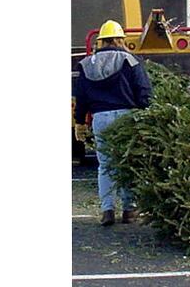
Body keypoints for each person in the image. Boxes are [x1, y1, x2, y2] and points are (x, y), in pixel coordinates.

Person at [73, 20, 152, 227]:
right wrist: (146, 114)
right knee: (127, 163)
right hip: (126, 116)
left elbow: (80, 97)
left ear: (100, 41)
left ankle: (107, 210)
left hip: (100, 117)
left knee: (105, 165)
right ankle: (129, 209)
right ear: (120, 39)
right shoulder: (131, 60)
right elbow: (143, 90)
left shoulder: (86, 63)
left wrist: (80, 121)